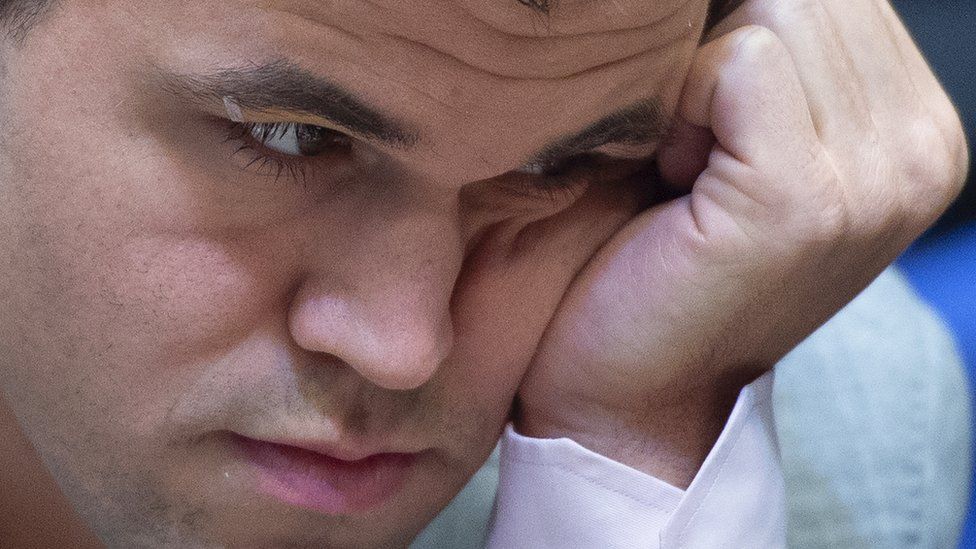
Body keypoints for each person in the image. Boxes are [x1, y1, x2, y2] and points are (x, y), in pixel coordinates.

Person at [0, 0, 968, 547]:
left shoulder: (824, 423)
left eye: (561, 170)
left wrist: (623, 471)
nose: (403, 347)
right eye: (287, 138)